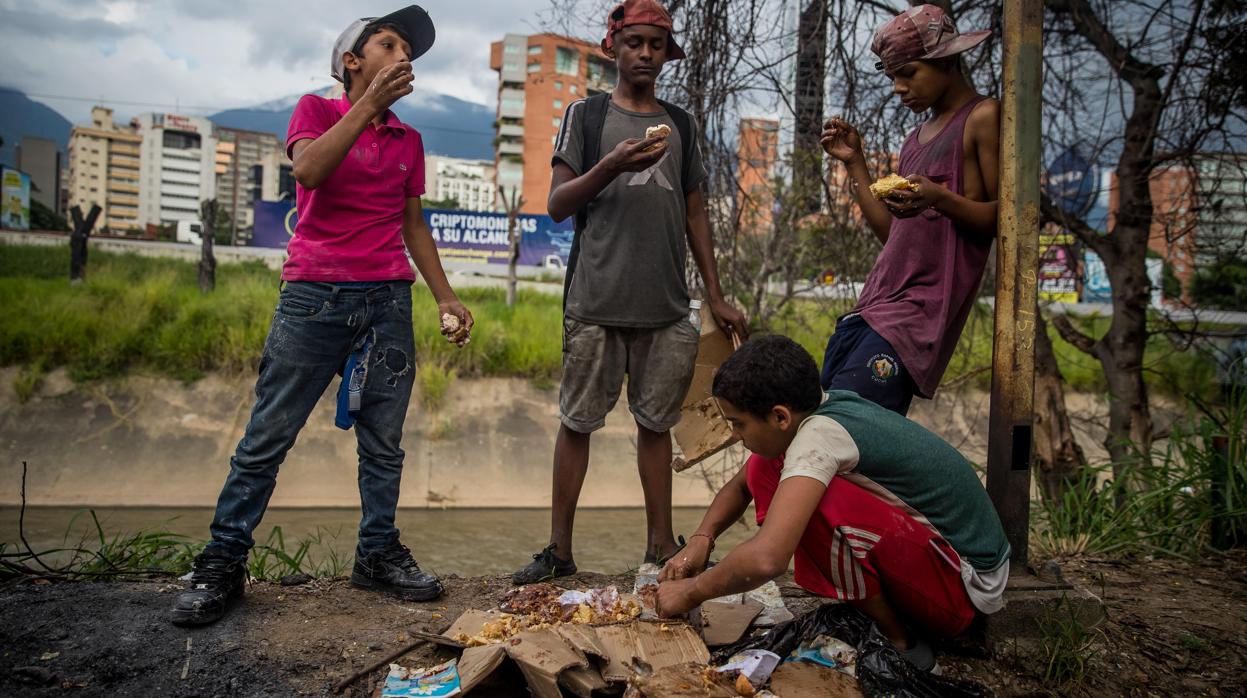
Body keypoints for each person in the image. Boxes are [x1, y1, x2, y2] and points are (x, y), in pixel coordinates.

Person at [171, 5, 473, 626]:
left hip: (387, 299)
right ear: (351, 62)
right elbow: (308, 169)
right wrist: (366, 108)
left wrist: (444, 295)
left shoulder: (408, 141)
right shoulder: (316, 110)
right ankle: (223, 561)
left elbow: (412, 222)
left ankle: (377, 553)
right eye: (387, 44)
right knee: (267, 437)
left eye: (408, 49)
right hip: (314, 298)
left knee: (384, 442)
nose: (403, 55)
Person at [511, 0, 747, 585]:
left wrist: (713, 292)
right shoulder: (587, 118)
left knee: (656, 426)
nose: (645, 54)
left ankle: (661, 547)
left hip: (666, 308)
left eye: (656, 45)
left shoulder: (683, 124)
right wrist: (610, 166)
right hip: (595, 303)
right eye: (635, 42)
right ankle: (559, 552)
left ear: (668, 53)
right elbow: (559, 205)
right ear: (614, 48)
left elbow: (695, 212)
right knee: (578, 423)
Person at [656, 335, 1010, 672]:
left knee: (817, 504)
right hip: (943, 568)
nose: (734, 435)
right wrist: (703, 538)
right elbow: (741, 486)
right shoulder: (820, 412)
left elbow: (768, 559)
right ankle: (881, 610)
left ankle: (900, 643)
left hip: (963, 592)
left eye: (739, 424)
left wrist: (690, 592)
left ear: (780, 416)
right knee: (765, 465)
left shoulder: (818, 440)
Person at [820, 4, 999, 416]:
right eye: (891, 76)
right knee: (826, 425)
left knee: (848, 430)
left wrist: (941, 198)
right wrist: (855, 162)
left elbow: (1005, 221)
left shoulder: (982, 117)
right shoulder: (914, 139)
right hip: (875, 304)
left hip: (915, 317)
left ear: (947, 59)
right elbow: (893, 234)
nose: (899, 87)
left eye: (909, 72)